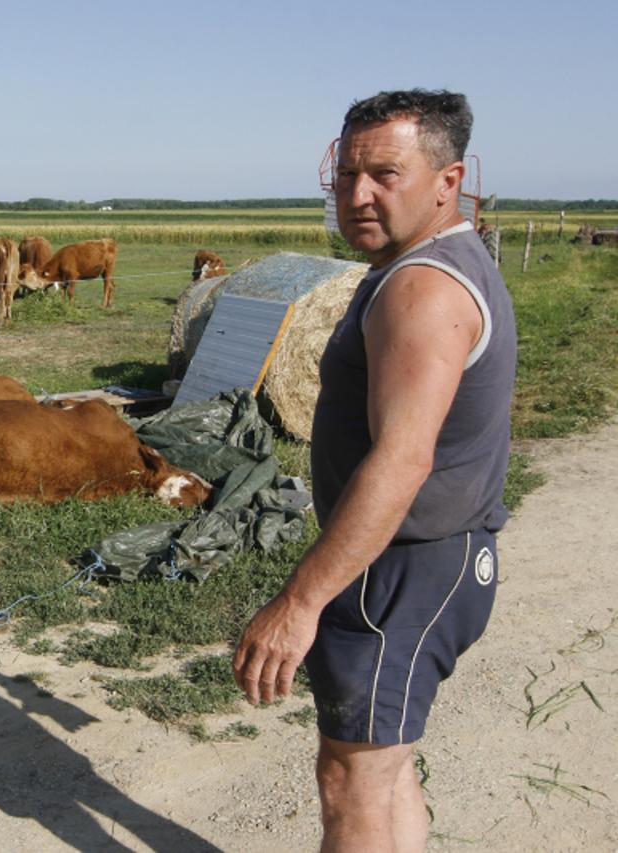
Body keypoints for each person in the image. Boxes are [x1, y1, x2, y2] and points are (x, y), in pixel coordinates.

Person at [231, 89, 517, 852]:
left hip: (406, 568)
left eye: (384, 174)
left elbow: (402, 459)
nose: (356, 196)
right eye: (345, 174)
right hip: (427, 561)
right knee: (385, 768)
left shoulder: (421, 288)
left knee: (350, 779)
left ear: (446, 180)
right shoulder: (428, 262)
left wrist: (299, 601)